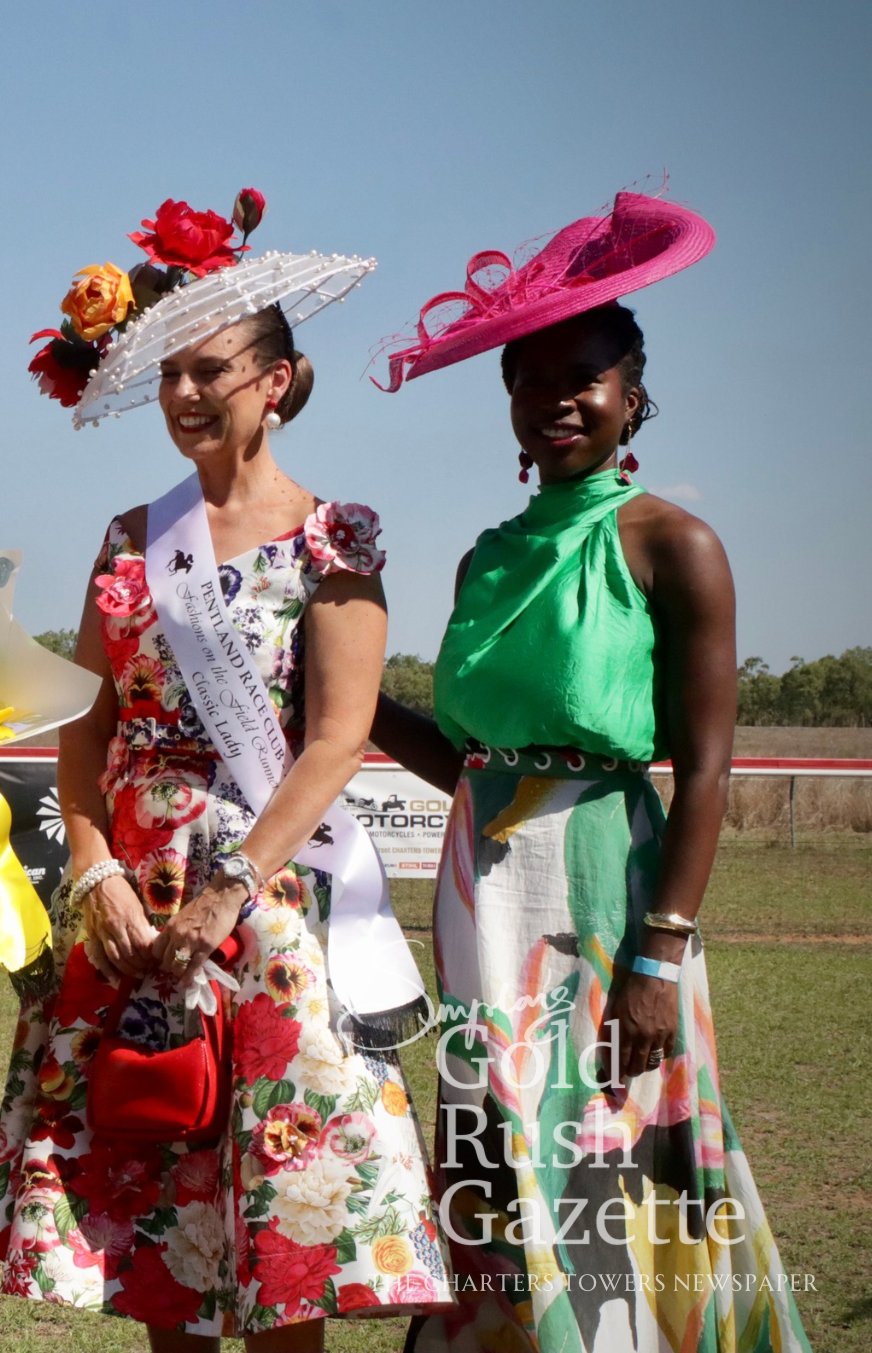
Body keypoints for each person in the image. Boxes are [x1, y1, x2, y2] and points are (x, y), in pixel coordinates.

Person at [0, 193, 449, 1348]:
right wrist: (88, 866)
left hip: (271, 899)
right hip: (131, 898)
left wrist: (230, 885)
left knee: (286, 1242)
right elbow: (85, 723)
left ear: (276, 382)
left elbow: (337, 737)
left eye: (213, 371)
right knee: (162, 1238)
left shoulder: (334, 535)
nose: (186, 395)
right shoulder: (130, 539)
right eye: (171, 375)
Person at [371, 192, 811, 1353]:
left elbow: (705, 767)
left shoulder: (673, 543)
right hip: (480, 890)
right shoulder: (483, 555)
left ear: (632, 394)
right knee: (490, 1131)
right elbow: (466, 762)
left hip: (607, 892)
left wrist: (658, 953)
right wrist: (349, 700)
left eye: (584, 377)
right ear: (505, 404)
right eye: (528, 380)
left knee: (597, 1140)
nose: (555, 399)